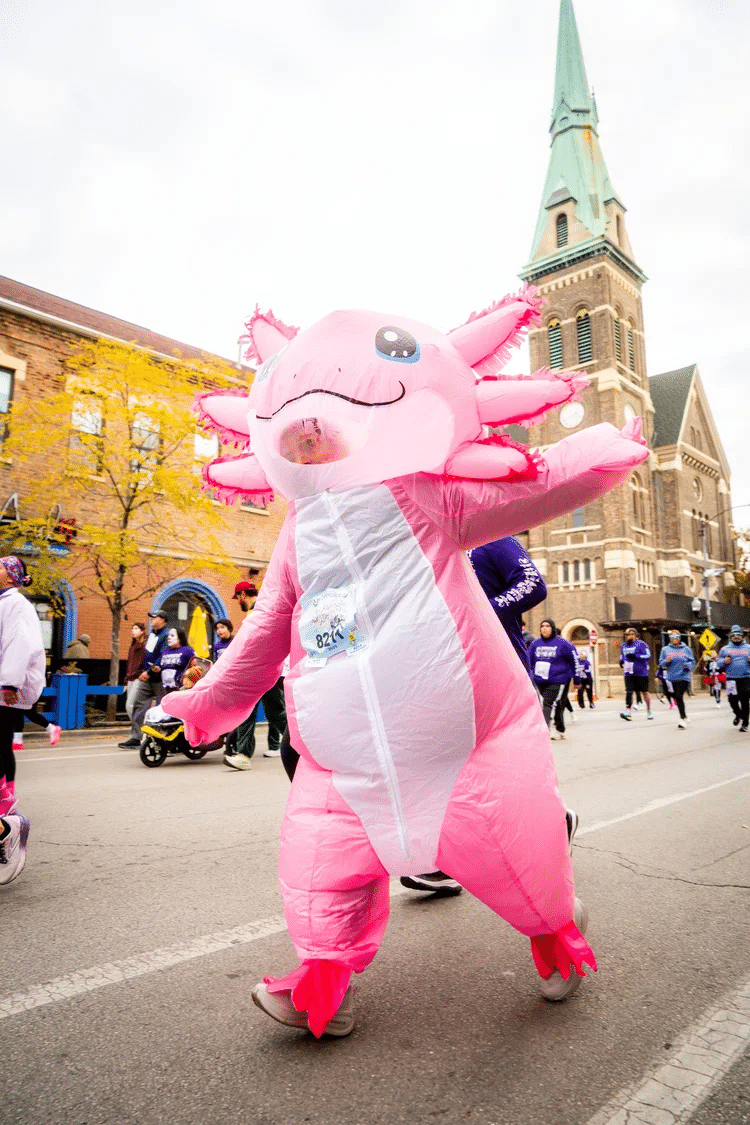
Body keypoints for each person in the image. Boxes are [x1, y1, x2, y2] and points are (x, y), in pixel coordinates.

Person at [402, 537, 549, 895]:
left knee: (503, 775)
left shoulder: (492, 538)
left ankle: (553, 824)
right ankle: (441, 864)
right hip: (447, 678)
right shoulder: (428, 547)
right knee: (442, 772)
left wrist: (481, 608)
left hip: (501, 672)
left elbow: (533, 585)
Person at [0, 556, 44, 885]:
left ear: (13, 576)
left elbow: (20, 644)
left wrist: (10, 682)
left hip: (4, 693)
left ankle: (6, 827)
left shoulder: (16, 603)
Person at [223, 581, 287, 768]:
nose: (238, 603)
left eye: (238, 598)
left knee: (259, 711)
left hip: (260, 668)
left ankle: (244, 755)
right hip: (266, 668)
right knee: (273, 713)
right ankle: (243, 755)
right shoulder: (264, 607)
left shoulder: (257, 611)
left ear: (243, 594)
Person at [118, 611, 169, 749]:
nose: (151, 619)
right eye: (151, 617)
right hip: (147, 677)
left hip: (159, 678)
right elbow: (147, 655)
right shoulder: (152, 634)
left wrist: (148, 671)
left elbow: (163, 655)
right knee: (138, 706)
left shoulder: (166, 635)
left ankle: (167, 739)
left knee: (166, 708)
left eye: (155, 617)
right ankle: (136, 738)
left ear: (163, 619)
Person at [528, 619, 579, 739]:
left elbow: (574, 661)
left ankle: (546, 729)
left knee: (549, 703)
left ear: (553, 628)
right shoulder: (535, 644)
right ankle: (560, 729)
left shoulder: (563, 644)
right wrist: (530, 677)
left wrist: (577, 679)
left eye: (547, 626)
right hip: (540, 680)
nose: (544, 628)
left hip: (558, 679)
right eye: (542, 626)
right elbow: (529, 661)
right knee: (554, 704)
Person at [658, 630, 695, 729]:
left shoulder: (686, 649)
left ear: (680, 638)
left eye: (676, 636)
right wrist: (667, 661)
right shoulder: (665, 649)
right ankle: (685, 716)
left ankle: (682, 720)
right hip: (672, 677)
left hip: (683, 676)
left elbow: (692, 661)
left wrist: (688, 665)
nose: (674, 638)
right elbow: (661, 663)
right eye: (672, 637)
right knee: (677, 698)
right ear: (669, 638)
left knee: (679, 696)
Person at [718, 625, 750, 732]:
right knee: (732, 700)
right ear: (731, 637)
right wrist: (724, 662)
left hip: (745, 677)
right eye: (734, 635)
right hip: (731, 678)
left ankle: (745, 722)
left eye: (738, 635)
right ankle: (738, 714)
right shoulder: (725, 649)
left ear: (742, 636)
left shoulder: (748, 648)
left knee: (744, 700)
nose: (736, 637)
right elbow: (719, 663)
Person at [619, 627, 653, 721]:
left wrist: (636, 656)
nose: (628, 636)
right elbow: (622, 654)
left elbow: (648, 655)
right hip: (628, 672)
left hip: (641, 672)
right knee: (629, 692)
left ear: (635, 635)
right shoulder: (624, 645)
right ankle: (628, 712)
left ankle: (649, 710)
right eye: (627, 635)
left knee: (645, 692)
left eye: (630, 634)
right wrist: (621, 661)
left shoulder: (642, 644)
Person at [121, 623, 147, 747]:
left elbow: (143, 662)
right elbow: (129, 664)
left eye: (136, 628)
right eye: (132, 628)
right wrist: (126, 681)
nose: (133, 630)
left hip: (139, 678)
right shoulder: (133, 646)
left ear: (142, 631)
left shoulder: (144, 645)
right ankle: (140, 732)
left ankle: (142, 732)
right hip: (131, 679)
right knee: (131, 707)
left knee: (131, 706)